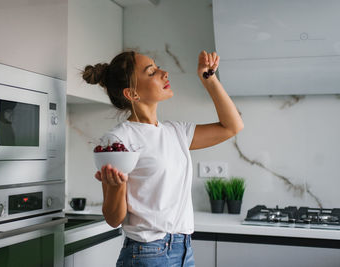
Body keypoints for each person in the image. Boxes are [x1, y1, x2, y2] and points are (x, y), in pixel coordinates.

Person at [82, 50, 244, 266]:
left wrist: (209, 77)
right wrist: (117, 186)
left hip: (184, 250)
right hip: (147, 253)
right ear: (132, 94)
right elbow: (114, 219)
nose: (164, 73)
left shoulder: (176, 132)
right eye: (152, 72)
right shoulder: (119, 139)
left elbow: (233, 126)